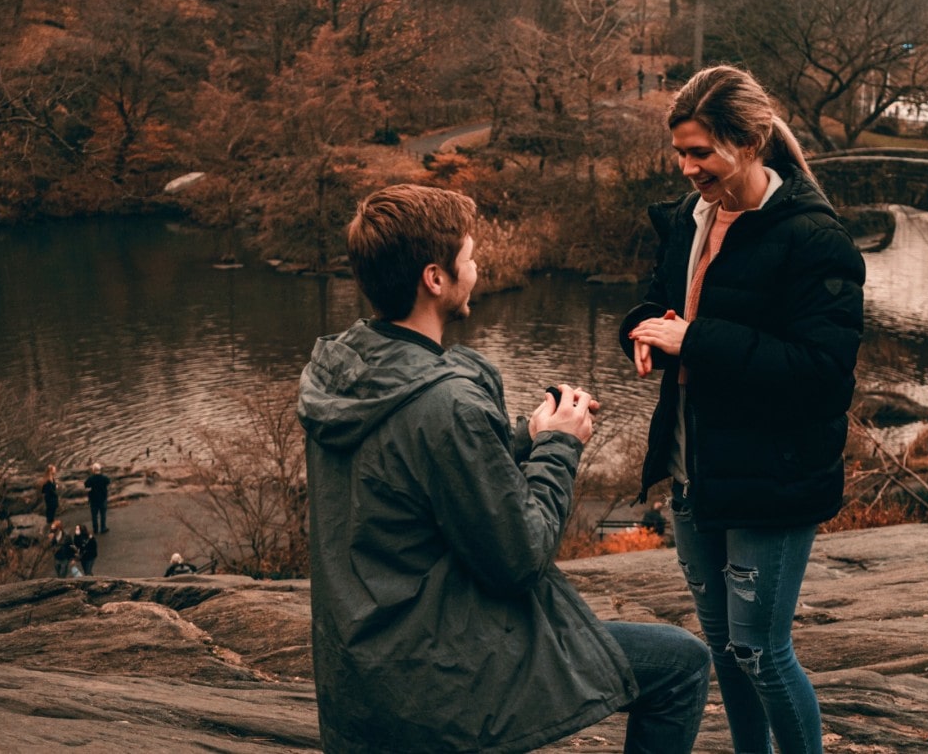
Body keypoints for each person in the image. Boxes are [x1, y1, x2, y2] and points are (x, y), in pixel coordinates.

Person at [298, 184, 710, 753]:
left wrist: (525, 436)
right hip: (436, 676)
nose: (478, 266)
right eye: (468, 257)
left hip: (363, 670)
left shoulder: (343, 370)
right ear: (435, 278)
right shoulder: (445, 404)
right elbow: (520, 558)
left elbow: (409, 469)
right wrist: (560, 448)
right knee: (682, 664)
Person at [620, 65, 865, 754]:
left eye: (702, 153)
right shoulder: (689, 218)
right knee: (725, 647)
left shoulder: (813, 239)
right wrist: (643, 332)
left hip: (773, 477)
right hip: (695, 470)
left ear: (750, 142)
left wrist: (695, 339)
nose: (688, 167)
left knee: (761, 650)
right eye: (680, 152)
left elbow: (822, 376)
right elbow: (658, 298)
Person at [84, 462, 110, 533]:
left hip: (93, 500)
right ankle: (103, 528)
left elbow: (86, 486)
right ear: (100, 470)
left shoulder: (90, 479)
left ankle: (95, 529)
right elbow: (108, 482)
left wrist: (90, 490)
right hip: (102, 499)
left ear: (93, 470)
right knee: (103, 514)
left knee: (94, 516)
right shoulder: (104, 478)